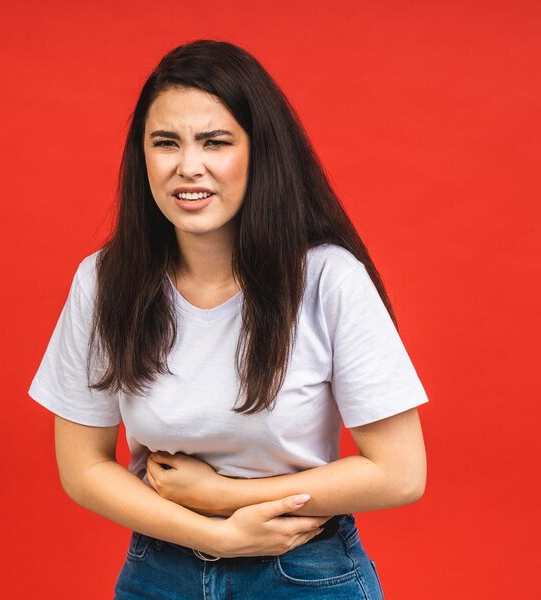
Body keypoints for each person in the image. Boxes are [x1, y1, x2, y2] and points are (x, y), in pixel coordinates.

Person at [27, 39, 428, 600]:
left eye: (215, 142)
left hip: (304, 572)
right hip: (158, 570)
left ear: (258, 153)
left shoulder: (328, 279)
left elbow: (401, 474)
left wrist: (224, 498)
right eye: (166, 142)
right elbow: (83, 468)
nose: (189, 167)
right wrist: (215, 532)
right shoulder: (104, 281)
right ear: (141, 157)